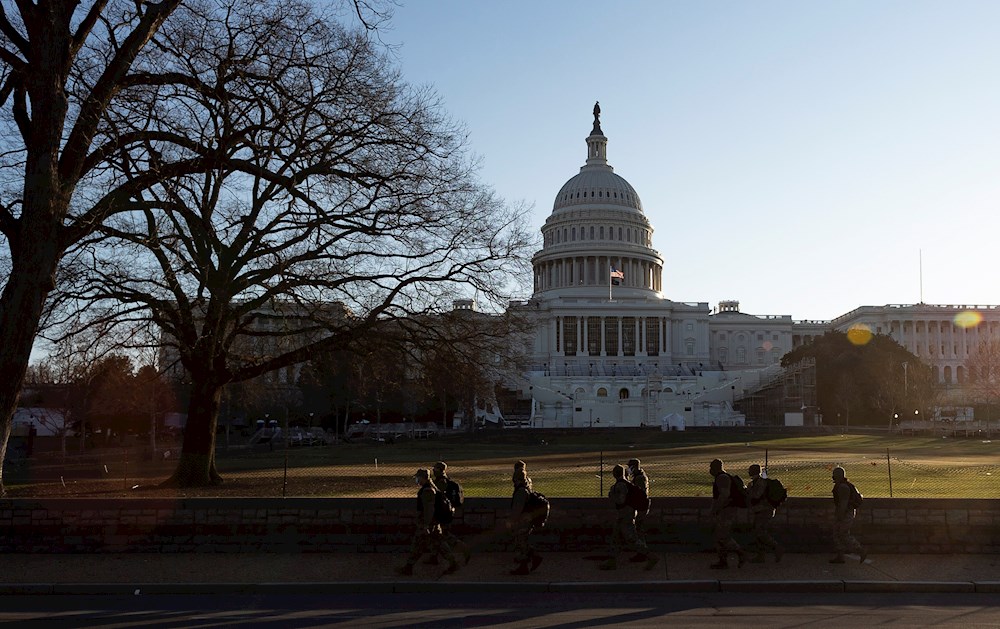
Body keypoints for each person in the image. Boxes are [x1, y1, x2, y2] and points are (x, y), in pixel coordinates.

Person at [395, 468, 459, 576]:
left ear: (423, 478)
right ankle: (453, 563)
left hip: (428, 524)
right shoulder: (430, 488)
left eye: (418, 478)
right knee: (438, 544)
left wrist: (425, 525)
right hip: (432, 523)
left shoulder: (427, 491)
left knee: (418, 544)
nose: (417, 480)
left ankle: (408, 567)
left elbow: (429, 509)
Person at [599, 464, 659, 571]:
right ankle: (611, 561)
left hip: (625, 515)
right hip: (626, 514)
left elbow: (621, 500)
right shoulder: (626, 483)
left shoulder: (620, 485)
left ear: (614, 474)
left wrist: (612, 494)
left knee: (632, 539)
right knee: (616, 538)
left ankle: (651, 556)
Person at [709, 458, 747, 569]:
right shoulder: (722, 477)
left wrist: (715, 510)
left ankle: (740, 553)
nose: (710, 470)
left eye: (711, 467)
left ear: (716, 467)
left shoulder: (722, 478)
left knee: (722, 535)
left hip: (726, 510)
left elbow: (724, 495)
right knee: (719, 536)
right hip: (726, 509)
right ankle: (723, 560)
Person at [430, 461, 471, 566]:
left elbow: (439, 498)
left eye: (435, 469)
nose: (433, 470)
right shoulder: (442, 481)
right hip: (444, 512)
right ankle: (434, 557)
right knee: (437, 535)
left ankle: (464, 549)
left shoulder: (441, 482)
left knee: (444, 535)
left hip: (442, 513)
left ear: (440, 469)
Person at [507, 462, 542, 575]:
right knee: (523, 542)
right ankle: (530, 560)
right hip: (527, 519)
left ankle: (526, 564)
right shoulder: (527, 485)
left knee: (521, 543)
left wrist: (512, 520)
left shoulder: (521, 491)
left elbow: (517, 508)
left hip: (522, 521)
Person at [747, 464, 783, 563]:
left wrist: (748, 492)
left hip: (765, 510)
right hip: (759, 510)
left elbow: (756, 495)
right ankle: (760, 555)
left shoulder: (760, 483)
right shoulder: (754, 483)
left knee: (760, 532)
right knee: (757, 532)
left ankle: (776, 547)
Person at [830, 466, 867, 564]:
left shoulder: (843, 487)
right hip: (844, 511)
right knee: (837, 534)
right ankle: (840, 556)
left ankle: (860, 550)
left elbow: (843, 503)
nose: (832, 477)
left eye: (834, 475)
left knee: (843, 533)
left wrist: (840, 515)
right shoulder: (842, 485)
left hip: (845, 513)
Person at [627, 458, 651, 551]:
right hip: (641, 505)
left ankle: (642, 550)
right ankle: (641, 550)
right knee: (638, 529)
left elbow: (639, 494)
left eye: (630, 467)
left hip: (641, 506)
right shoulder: (638, 476)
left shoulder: (640, 478)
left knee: (638, 529)